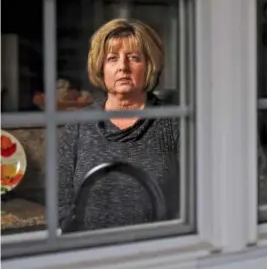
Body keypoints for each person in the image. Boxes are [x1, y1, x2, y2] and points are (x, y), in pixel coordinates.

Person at [58, 18, 179, 232]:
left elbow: (197, 200)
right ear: (101, 67)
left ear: (149, 65)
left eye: (134, 58)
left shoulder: (174, 123)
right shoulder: (78, 125)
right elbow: (60, 201)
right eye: (112, 59)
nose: (123, 67)